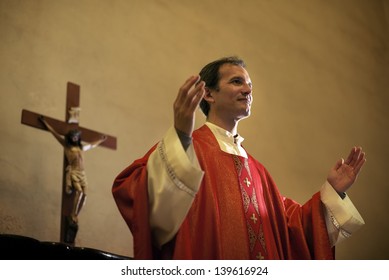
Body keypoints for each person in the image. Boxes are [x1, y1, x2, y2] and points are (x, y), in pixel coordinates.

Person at [112, 56, 366, 259]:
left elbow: (292, 227)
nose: (247, 90)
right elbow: (134, 190)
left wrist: (332, 192)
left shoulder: (258, 172)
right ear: (209, 95)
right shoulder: (187, 150)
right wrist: (180, 134)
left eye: (250, 86)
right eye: (236, 82)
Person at [39, 116, 107, 225]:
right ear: (70, 137)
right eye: (73, 136)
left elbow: (91, 145)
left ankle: (76, 215)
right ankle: (73, 214)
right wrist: (45, 123)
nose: (75, 138)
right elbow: (55, 134)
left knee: (85, 194)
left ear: (78, 137)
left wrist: (101, 140)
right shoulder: (67, 147)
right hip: (74, 172)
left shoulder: (81, 148)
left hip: (83, 174)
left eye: (76, 136)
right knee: (79, 192)